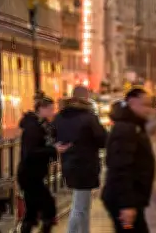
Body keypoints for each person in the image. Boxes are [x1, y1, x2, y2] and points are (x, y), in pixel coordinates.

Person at [53, 86, 107, 233]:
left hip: (68, 165)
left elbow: (54, 137)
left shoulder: (60, 116)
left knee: (82, 205)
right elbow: (102, 140)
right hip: (86, 166)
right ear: (86, 97)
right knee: (80, 207)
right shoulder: (89, 117)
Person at [102, 88, 155, 233]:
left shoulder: (134, 126)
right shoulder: (126, 129)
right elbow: (120, 168)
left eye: (150, 105)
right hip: (124, 200)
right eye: (145, 105)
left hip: (131, 198)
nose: (149, 109)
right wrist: (126, 205)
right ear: (132, 103)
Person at [18, 95, 69, 233]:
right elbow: (31, 151)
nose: (53, 112)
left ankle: (27, 228)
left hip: (35, 173)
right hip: (29, 174)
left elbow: (43, 144)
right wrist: (53, 149)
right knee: (48, 207)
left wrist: (54, 147)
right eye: (51, 109)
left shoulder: (42, 124)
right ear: (41, 109)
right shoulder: (32, 127)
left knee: (32, 211)